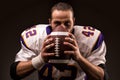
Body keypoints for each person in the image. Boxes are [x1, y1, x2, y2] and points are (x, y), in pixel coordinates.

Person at [10, 2, 109, 80]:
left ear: (74, 22)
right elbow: (15, 73)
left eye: (67, 23)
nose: (62, 27)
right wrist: (40, 59)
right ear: (50, 22)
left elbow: (102, 77)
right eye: (57, 23)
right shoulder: (36, 38)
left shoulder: (88, 39)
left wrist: (79, 58)